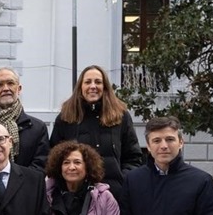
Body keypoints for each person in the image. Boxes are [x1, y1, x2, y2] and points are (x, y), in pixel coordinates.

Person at [49, 64, 143, 205]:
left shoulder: (120, 116)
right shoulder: (66, 118)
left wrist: (122, 181)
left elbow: (133, 157)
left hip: (114, 196)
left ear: (105, 87)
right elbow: (54, 160)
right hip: (76, 199)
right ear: (80, 87)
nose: (93, 86)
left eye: (98, 82)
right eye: (88, 82)